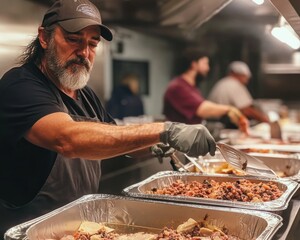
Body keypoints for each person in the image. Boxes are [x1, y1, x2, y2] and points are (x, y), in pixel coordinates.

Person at [0, 0, 216, 235]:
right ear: (44, 38)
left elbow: (111, 135)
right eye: (74, 39)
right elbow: (67, 139)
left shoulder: (86, 96)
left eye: (93, 44)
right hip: (28, 230)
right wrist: (166, 130)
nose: (84, 53)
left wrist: (151, 145)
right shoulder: (20, 85)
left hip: (78, 229)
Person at [163, 52, 249, 134]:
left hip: (188, 139)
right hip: (178, 143)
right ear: (194, 64)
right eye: (205, 63)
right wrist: (229, 109)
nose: (208, 68)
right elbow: (202, 109)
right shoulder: (178, 87)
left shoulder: (192, 87)